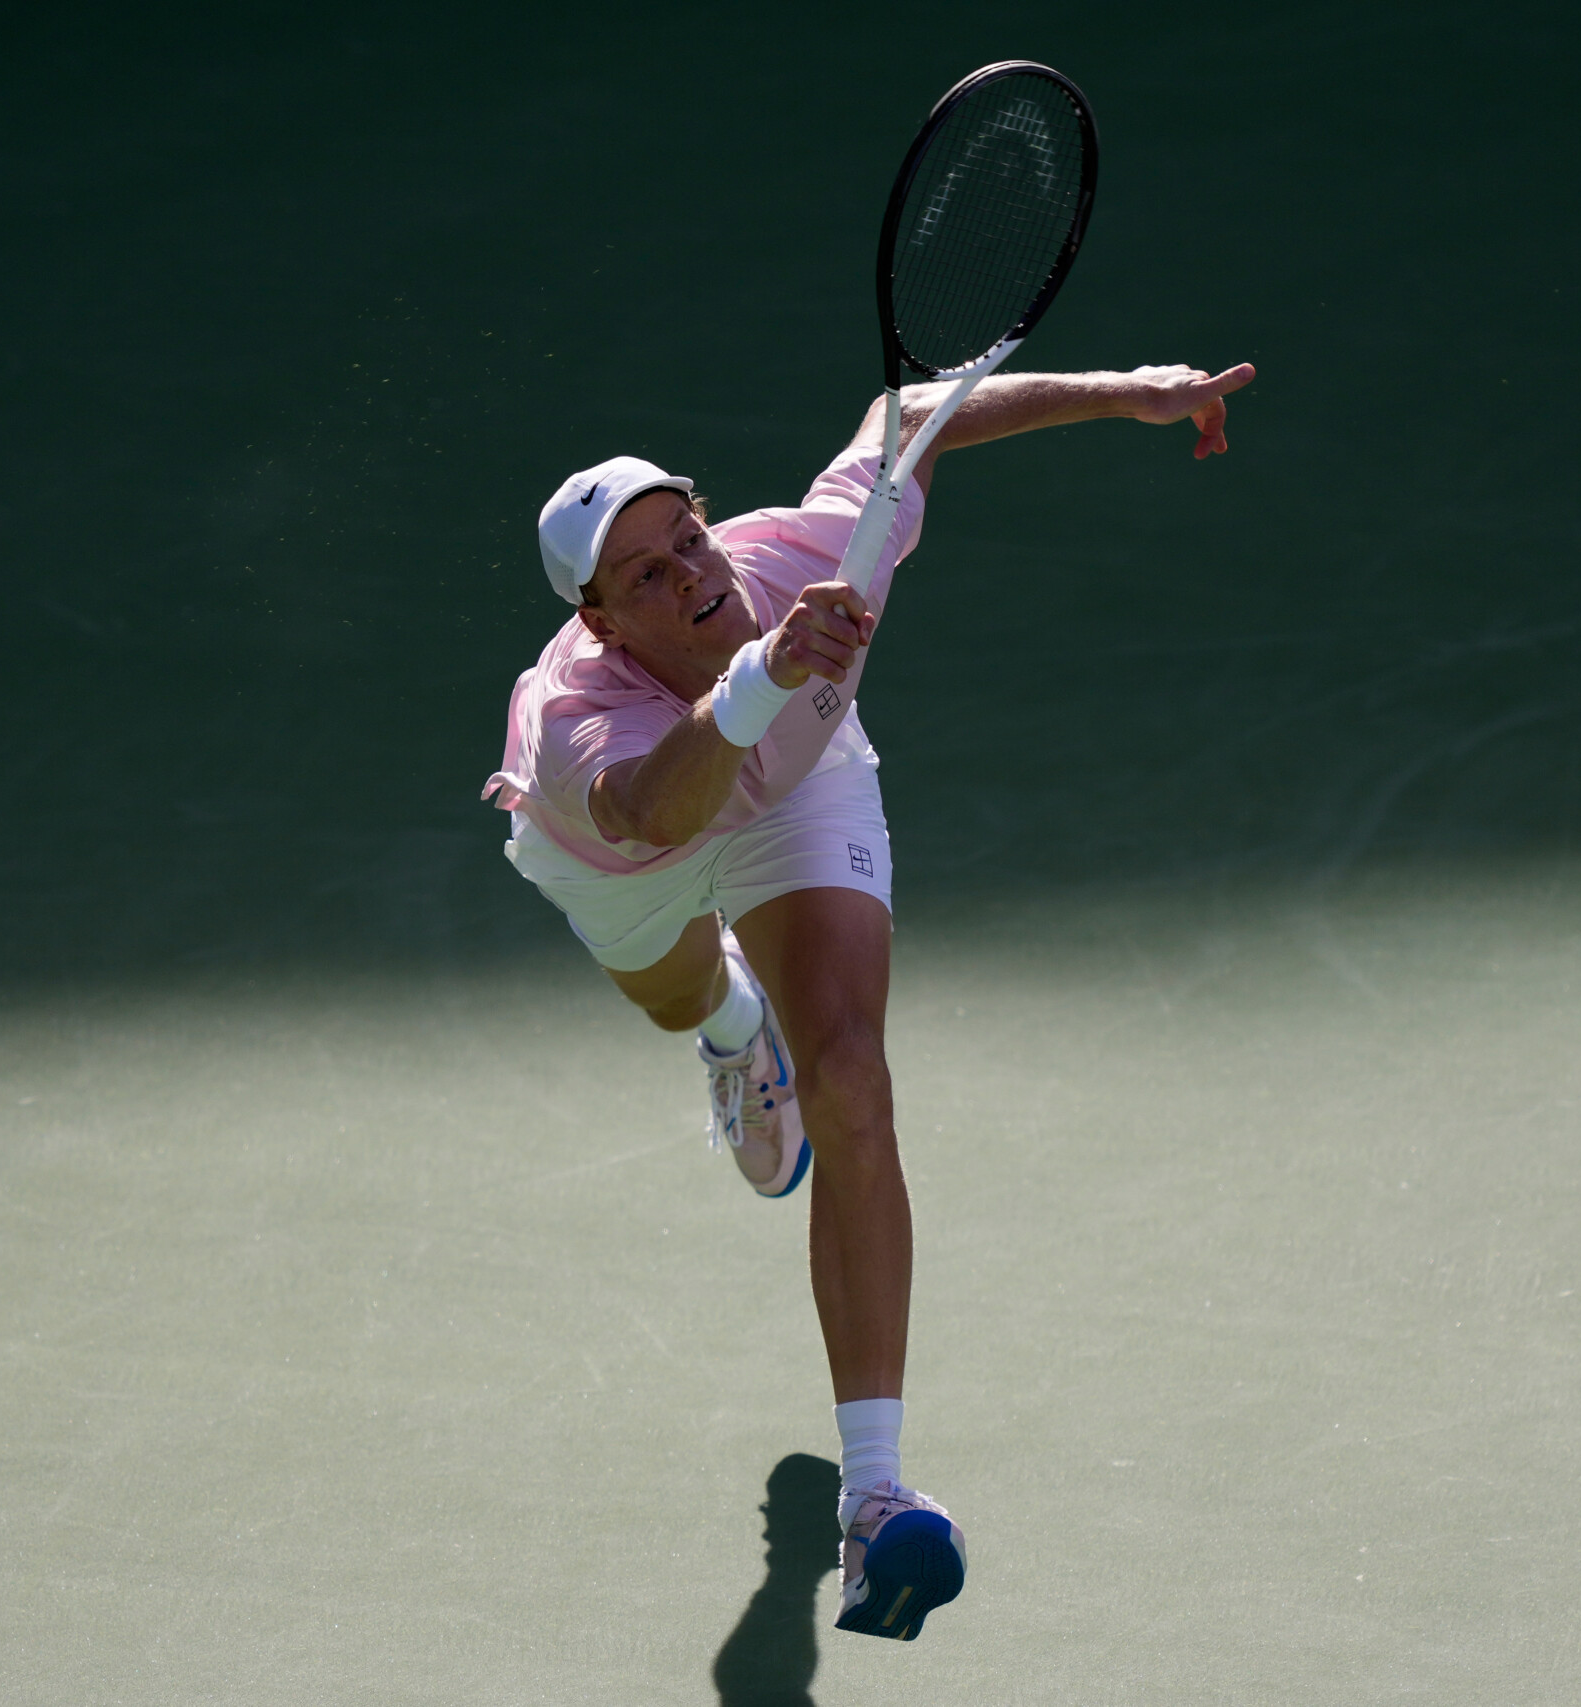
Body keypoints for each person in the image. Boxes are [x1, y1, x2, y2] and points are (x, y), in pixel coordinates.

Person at [482, 360, 1254, 1641]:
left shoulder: (805, 556)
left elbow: (912, 415)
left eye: (688, 540)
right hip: (636, 853)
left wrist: (1135, 391)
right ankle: (731, 1031)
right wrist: (758, 679)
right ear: (605, 626)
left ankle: (875, 1500)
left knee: (848, 1079)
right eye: (649, 580)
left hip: (791, 783)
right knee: (677, 995)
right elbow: (652, 810)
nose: (692, 577)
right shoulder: (576, 720)